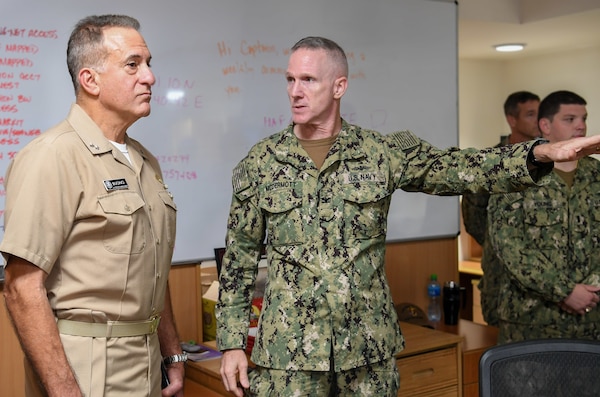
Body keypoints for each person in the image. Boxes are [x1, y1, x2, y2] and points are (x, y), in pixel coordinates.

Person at [216, 36, 600, 397]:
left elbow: (459, 167)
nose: (295, 91)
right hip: (289, 355)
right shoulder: (262, 162)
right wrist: (232, 343)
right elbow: (239, 261)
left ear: (339, 86)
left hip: (367, 351)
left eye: (308, 79)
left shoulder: (380, 153)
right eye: (290, 79)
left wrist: (539, 154)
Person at [0, 15, 184, 397]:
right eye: (133, 65)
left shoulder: (145, 162)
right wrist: (66, 390)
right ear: (90, 80)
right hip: (86, 372)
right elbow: (21, 287)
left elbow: (152, 268)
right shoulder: (52, 157)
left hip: (146, 366)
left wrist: (173, 355)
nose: (149, 77)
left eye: (149, 64)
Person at [487, 90, 600, 344]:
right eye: (570, 119)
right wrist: (565, 291)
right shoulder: (516, 178)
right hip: (532, 321)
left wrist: (590, 290)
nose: (581, 125)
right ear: (545, 125)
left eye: (584, 118)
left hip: (592, 320)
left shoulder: (597, 175)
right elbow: (509, 247)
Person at [461, 90, 540, 326]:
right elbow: (474, 218)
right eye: (530, 114)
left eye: (540, 113)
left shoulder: (548, 160)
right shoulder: (491, 162)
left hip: (543, 277)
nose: (538, 119)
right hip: (501, 275)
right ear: (512, 119)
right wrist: (504, 246)